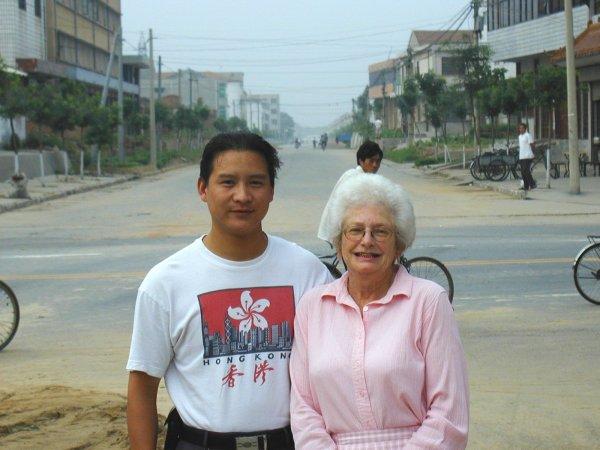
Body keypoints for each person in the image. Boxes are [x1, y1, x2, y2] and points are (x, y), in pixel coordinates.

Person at [126, 132, 333, 450]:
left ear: (272, 191)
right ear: (203, 189)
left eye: (255, 182)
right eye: (227, 182)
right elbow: (142, 388)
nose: (242, 195)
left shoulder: (308, 273)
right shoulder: (165, 283)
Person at [291, 173, 469, 449]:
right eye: (355, 230)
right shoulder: (312, 308)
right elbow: (304, 409)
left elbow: (449, 413)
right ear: (339, 241)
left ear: (399, 243)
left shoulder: (428, 301)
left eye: (380, 231)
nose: (367, 241)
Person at [317, 140, 383, 243]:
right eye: (371, 161)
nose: (375, 165)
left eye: (378, 161)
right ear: (361, 161)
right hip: (340, 230)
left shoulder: (363, 177)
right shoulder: (354, 178)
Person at [518, 122, 536, 190]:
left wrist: (534, 154)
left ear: (525, 129)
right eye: (520, 128)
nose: (521, 129)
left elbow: (532, 145)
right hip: (522, 156)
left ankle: (532, 184)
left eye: (522, 128)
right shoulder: (519, 136)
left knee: (526, 171)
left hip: (528, 156)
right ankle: (526, 186)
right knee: (523, 172)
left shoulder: (528, 135)